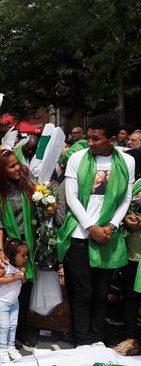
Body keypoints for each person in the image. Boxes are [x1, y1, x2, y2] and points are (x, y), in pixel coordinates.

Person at [57, 115, 135, 347]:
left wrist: (110, 226)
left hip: (109, 236)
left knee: (101, 293)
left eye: (95, 139)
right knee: (83, 292)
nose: (89, 143)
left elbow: (126, 198)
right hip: (81, 234)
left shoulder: (127, 161)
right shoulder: (77, 159)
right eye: (89, 137)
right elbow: (71, 197)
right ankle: (81, 341)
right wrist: (92, 227)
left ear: (111, 140)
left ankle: (97, 339)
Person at [0, 149, 56, 348]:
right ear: (1, 170)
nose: (17, 168)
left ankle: (21, 331)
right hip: (11, 247)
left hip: (29, 244)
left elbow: (40, 208)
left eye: (17, 163)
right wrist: (1, 251)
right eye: (11, 166)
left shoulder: (27, 182)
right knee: (10, 290)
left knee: (25, 288)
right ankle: (6, 331)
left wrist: (47, 207)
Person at [112, 178, 141, 356]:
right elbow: (120, 207)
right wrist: (127, 218)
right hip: (132, 256)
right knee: (130, 299)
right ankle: (132, 340)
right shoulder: (137, 184)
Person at [0, 239, 28, 362]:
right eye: (23, 255)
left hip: (13, 302)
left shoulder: (20, 267)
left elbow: (24, 281)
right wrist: (13, 278)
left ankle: (11, 347)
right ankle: (2, 350)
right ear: (12, 256)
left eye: (26, 254)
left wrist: (22, 275)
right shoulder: (4, 266)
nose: (26, 257)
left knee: (13, 325)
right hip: (0, 303)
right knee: (4, 325)